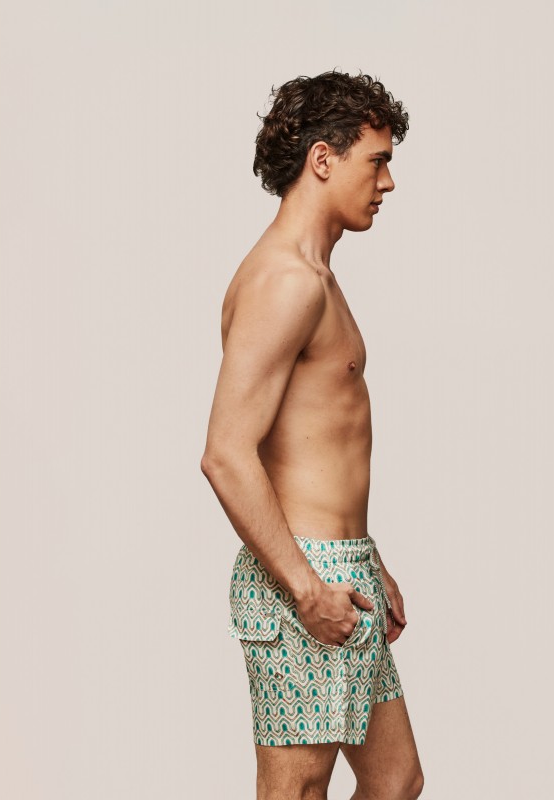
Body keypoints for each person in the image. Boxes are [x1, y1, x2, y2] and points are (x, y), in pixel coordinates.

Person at [201, 69, 424, 800]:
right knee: (296, 791)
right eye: (377, 161)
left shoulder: (317, 276)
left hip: (342, 566)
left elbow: (313, 442)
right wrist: (305, 588)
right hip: (305, 575)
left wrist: (367, 557)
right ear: (322, 159)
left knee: (394, 780)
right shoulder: (286, 282)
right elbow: (226, 454)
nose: (387, 182)